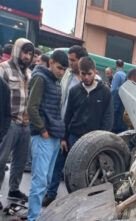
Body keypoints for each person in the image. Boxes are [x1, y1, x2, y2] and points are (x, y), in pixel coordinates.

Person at [25, 50, 69, 221]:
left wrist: (57, 136)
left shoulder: (54, 81)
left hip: (53, 136)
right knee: (40, 180)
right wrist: (42, 130)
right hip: (44, 135)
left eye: (64, 69)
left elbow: (54, 111)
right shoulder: (41, 79)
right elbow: (31, 107)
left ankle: (36, 217)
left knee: (47, 179)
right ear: (50, 62)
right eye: (59, 68)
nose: (61, 72)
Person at [43, 45, 88, 206]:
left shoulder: (89, 80)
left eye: (72, 60)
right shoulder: (65, 75)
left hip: (78, 129)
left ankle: (74, 202)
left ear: (81, 60)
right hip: (61, 126)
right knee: (56, 163)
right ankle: (50, 193)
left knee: (77, 168)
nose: (69, 63)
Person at [0, 38, 34, 205]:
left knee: (20, 161)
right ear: (16, 51)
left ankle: (13, 190)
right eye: (24, 52)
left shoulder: (29, 73)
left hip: (25, 124)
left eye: (29, 53)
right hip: (10, 123)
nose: (27, 56)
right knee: (1, 160)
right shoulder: (4, 69)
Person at [62, 57, 113, 163]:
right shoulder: (74, 91)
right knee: (72, 168)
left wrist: (102, 139)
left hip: (94, 139)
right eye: (83, 74)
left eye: (89, 74)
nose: (86, 77)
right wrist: (63, 138)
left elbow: (108, 117)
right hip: (74, 137)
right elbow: (68, 115)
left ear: (95, 72)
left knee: (89, 170)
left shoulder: (105, 92)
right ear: (79, 72)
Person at [111, 59, 127, 133]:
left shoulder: (117, 75)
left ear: (116, 66)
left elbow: (114, 90)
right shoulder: (125, 75)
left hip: (116, 107)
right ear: (123, 66)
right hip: (123, 107)